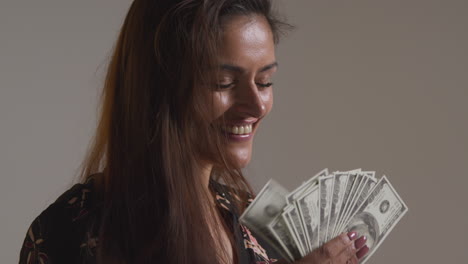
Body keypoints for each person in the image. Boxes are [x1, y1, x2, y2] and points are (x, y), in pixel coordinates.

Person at [19, 0, 369, 263]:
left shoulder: (246, 215)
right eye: (224, 82)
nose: (257, 105)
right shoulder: (66, 234)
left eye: (265, 81)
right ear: (159, 90)